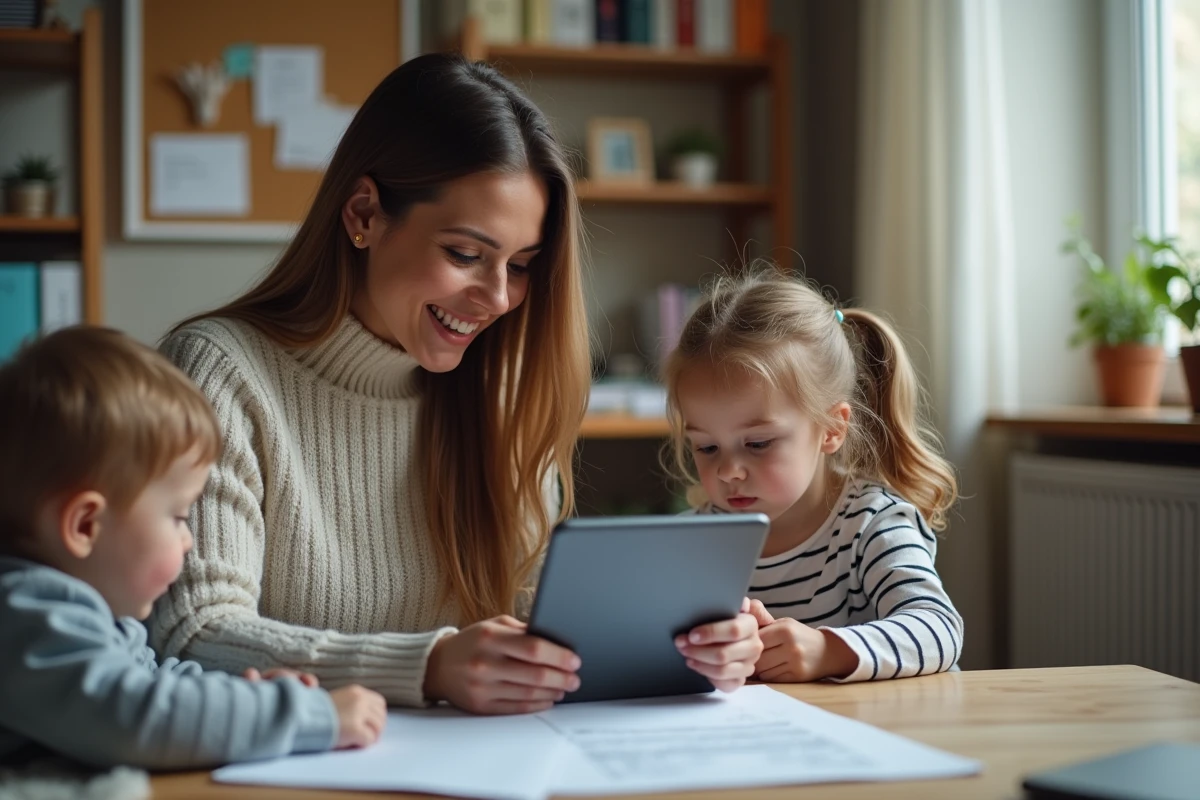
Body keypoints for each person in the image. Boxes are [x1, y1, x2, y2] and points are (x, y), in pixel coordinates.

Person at [153, 52, 763, 714]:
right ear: (363, 214)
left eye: (523, 265)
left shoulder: (497, 394)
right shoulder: (219, 372)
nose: (496, 298)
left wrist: (687, 645)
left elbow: (539, 629)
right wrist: (427, 666)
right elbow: (193, 633)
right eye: (466, 255)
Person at [0, 327, 387, 769]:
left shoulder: (91, 616)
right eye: (179, 516)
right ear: (86, 525)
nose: (190, 540)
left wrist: (250, 699)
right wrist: (307, 716)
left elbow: (157, 682)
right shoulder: (28, 619)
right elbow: (140, 717)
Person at [662, 269, 964, 682]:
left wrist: (828, 651)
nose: (729, 471)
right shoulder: (691, 543)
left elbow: (939, 629)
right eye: (707, 447)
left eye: (758, 443)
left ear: (832, 429)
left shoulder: (871, 524)